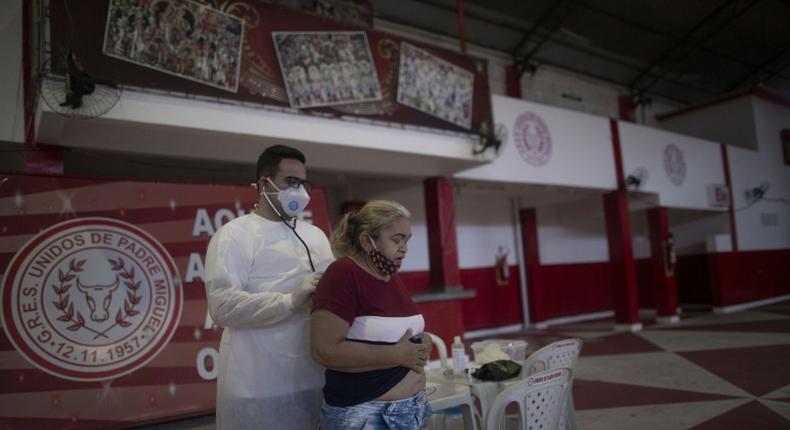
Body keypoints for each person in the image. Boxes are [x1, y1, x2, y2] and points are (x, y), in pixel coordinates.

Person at [204, 145, 334, 430]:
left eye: (304, 183)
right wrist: (289, 300)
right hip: (257, 384)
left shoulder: (315, 237)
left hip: (313, 376)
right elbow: (223, 307)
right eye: (291, 182)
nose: (300, 191)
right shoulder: (233, 236)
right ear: (264, 183)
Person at [310, 200, 433, 430]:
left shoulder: (390, 277)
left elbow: (391, 332)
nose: (404, 247)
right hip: (367, 416)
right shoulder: (344, 273)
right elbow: (323, 350)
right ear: (368, 241)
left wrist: (422, 342)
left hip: (411, 410)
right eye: (396, 239)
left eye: (407, 240)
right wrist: (397, 355)